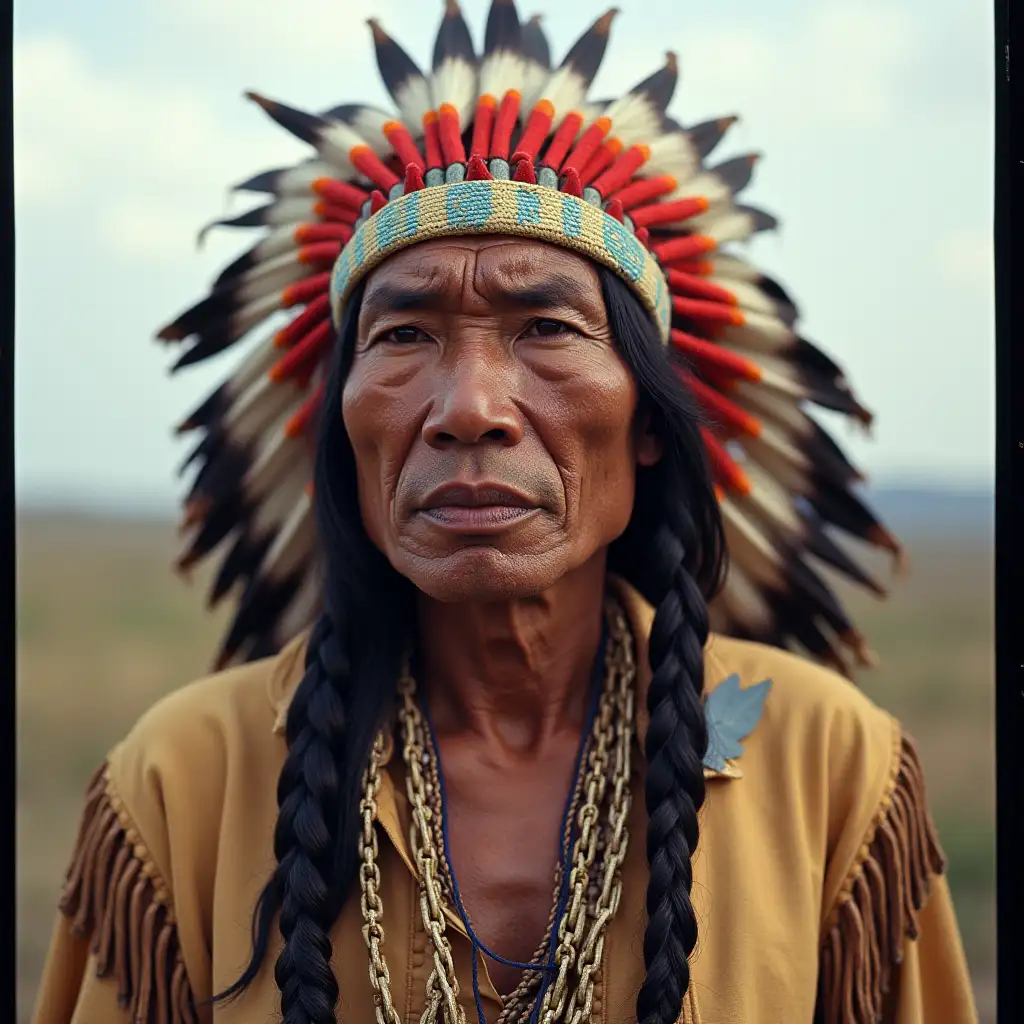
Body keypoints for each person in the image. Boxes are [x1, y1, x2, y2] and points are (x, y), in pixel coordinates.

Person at [32, 2, 978, 1022]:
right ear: (344, 426)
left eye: (544, 326)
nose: (468, 409)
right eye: (403, 336)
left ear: (646, 423)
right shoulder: (185, 781)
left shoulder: (826, 766)